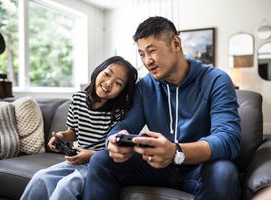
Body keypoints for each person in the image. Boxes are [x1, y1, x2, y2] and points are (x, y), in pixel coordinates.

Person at [83, 16, 241, 200]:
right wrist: (113, 140)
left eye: (152, 51)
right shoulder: (145, 86)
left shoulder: (216, 80)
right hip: (156, 166)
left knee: (224, 171)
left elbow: (229, 139)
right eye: (142, 54)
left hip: (198, 167)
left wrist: (176, 151)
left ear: (175, 43)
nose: (147, 61)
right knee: (101, 160)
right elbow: (124, 125)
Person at [20, 56, 138, 200]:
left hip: (97, 166)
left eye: (118, 83)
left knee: (66, 186)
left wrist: (91, 155)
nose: (108, 83)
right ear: (98, 71)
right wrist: (62, 137)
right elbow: (73, 132)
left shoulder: (119, 112)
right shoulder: (78, 99)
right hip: (75, 160)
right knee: (40, 177)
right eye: (107, 74)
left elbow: (116, 149)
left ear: (123, 91)